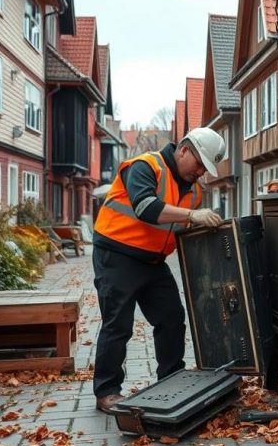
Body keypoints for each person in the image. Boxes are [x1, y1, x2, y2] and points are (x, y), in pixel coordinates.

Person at [91, 127, 227, 414]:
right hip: (117, 255)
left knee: (172, 318)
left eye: (206, 168)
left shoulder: (194, 192)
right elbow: (144, 207)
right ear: (183, 150)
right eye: (199, 163)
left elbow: (183, 233)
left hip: (153, 262)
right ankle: (107, 392)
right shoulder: (145, 166)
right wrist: (192, 216)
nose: (200, 172)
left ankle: (171, 379)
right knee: (118, 324)